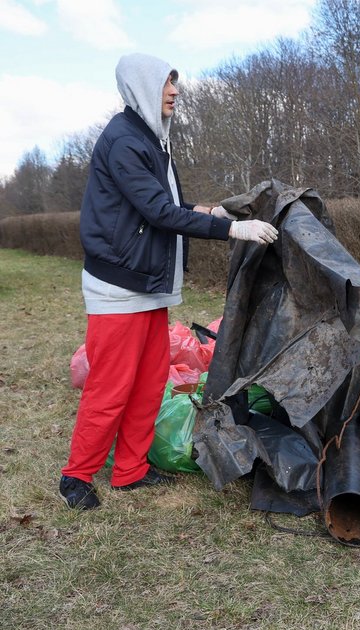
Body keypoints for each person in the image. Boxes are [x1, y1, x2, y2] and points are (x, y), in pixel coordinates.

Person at [59, 53, 278, 510]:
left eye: (175, 82)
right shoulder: (124, 141)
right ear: (142, 86)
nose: (175, 91)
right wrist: (231, 230)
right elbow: (158, 213)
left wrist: (211, 212)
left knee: (149, 380)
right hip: (119, 288)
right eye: (166, 83)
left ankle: (130, 471)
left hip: (147, 284)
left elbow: (168, 201)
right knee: (111, 385)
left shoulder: (151, 139)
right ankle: (76, 477)